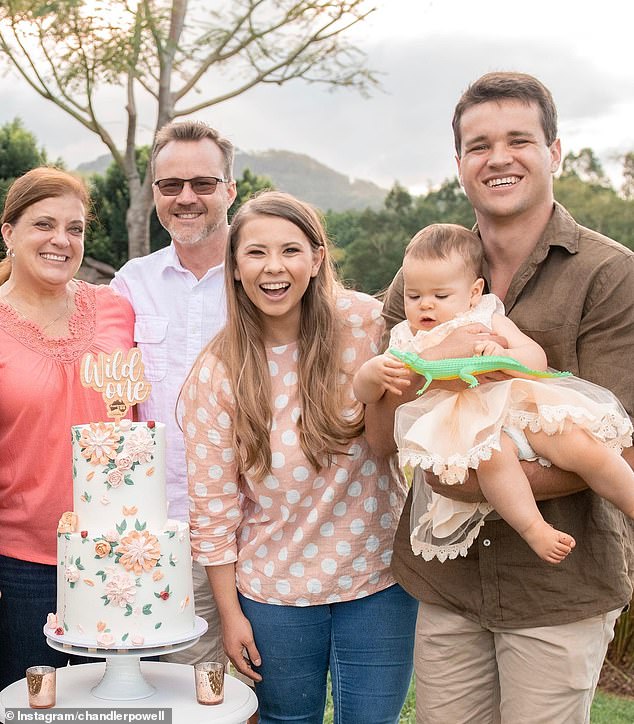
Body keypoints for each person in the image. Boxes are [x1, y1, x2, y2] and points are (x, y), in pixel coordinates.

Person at [366, 72, 634, 723]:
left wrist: (467, 480)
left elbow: (615, 440)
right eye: (479, 144)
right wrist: (377, 393)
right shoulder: (424, 274)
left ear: (555, 151)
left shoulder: (609, 275)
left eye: (519, 139)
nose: (499, 158)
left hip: (558, 590)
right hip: (447, 580)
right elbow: (380, 431)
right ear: (460, 163)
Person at [181, 191, 417, 723]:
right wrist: (230, 614)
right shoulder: (219, 373)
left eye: (290, 250)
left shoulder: (368, 327)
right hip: (274, 592)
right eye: (255, 253)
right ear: (235, 267)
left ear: (316, 259)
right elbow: (214, 511)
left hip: (380, 581)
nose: (273, 268)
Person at [355, 222, 634, 565]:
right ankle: (534, 528)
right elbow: (368, 394)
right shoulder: (406, 340)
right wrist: (371, 373)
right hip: (466, 428)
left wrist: (501, 355)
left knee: (582, 446)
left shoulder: (485, 316)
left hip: (517, 408)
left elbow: (535, 358)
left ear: (473, 293)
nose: (425, 306)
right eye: (414, 297)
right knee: (494, 459)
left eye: (440, 296)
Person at [0, 167, 135, 689]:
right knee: (37, 707)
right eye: (44, 224)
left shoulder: (115, 310)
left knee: (116, 710)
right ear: (8, 232)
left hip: (121, 555)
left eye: (75, 228)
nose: (62, 240)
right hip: (22, 564)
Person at [110, 120, 237, 668]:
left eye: (203, 183)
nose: (186, 198)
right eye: (170, 186)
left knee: (255, 687)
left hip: (256, 526)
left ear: (231, 189)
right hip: (155, 528)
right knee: (172, 684)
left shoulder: (265, 276)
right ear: (155, 194)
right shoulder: (129, 285)